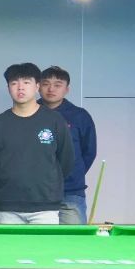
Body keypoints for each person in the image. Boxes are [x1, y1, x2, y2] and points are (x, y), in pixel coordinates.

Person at [0, 63, 73, 225]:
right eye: (14, 83)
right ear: (8, 88)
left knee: (45, 244)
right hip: (8, 206)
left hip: (45, 206)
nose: (20, 87)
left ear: (37, 86)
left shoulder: (54, 120)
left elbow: (66, 160)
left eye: (26, 82)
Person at [39, 66, 97, 224]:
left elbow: (89, 152)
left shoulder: (79, 115)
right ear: (38, 86)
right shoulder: (29, 113)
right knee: (40, 239)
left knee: (73, 238)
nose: (51, 89)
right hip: (36, 192)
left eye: (57, 85)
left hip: (71, 191)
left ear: (67, 89)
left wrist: (72, 173)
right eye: (46, 84)